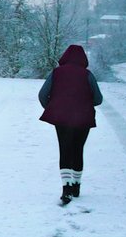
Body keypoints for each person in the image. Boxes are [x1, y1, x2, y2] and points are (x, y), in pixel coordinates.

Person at [38, 44, 103, 205]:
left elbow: (42, 95)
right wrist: (85, 104)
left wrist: (53, 107)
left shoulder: (56, 73)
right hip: (83, 118)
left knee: (65, 150)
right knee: (78, 150)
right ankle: (76, 186)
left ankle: (66, 189)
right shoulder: (88, 75)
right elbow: (98, 99)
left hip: (61, 118)